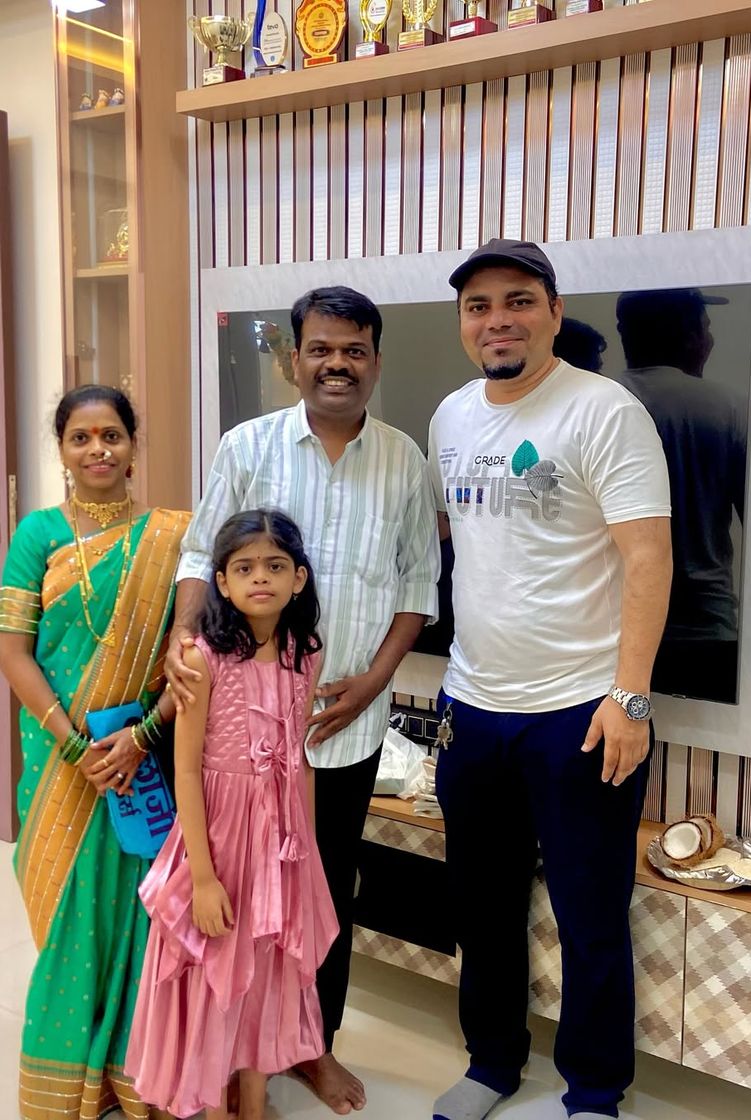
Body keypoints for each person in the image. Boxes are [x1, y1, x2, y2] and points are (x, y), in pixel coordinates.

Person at [166, 286, 439, 1114]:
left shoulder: (404, 460)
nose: (336, 364)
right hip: (237, 741)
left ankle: (312, 1046)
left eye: (354, 350)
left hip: (340, 730)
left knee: (321, 894)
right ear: (294, 359)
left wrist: (375, 681)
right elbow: (199, 554)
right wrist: (182, 643)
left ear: (376, 361)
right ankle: (229, 1051)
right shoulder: (247, 445)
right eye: (320, 349)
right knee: (231, 897)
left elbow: (417, 586)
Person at [427, 240, 672, 1120]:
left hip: (580, 712)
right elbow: (465, 545)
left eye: (519, 300)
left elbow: (649, 558)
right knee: (481, 906)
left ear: (555, 312)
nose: (498, 320)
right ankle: (492, 1062)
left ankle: (595, 1090)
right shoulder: (451, 416)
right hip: (472, 707)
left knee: (589, 912)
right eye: (479, 306)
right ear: (464, 323)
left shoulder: (604, 411)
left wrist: (630, 697)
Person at [0, 385, 190, 1120]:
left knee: (140, 916)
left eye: (111, 434)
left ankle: (134, 1078)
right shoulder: (37, 533)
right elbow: (14, 653)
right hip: (60, 763)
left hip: (142, 760)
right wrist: (75, 744)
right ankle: (67, 1081)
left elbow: (186, 652)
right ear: (62, 450)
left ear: (133, 444)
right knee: (68, 920)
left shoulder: (173, 535)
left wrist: (141, 737)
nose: (98, 449)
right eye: (81, 437)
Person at [125, 509, 339, 1120]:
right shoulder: (202, 658)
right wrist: (203, 877)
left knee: (267, 970)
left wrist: (307, 855)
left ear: (299, 578)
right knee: (217, 967)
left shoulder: (306, 652)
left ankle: (253, 1100)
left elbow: (297, 758)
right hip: (218, 839)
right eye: (244, 568)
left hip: (279, 844)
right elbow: (188, 770)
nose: (260, 578)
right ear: (221, 581)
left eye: (275, 566)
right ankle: (215, 1106)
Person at [614, 288, 747, 704]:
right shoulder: (725, 406)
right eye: (706, 328)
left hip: (612, 629)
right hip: (706, 625)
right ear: (689, 337)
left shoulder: (595, 404)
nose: (710, 340)